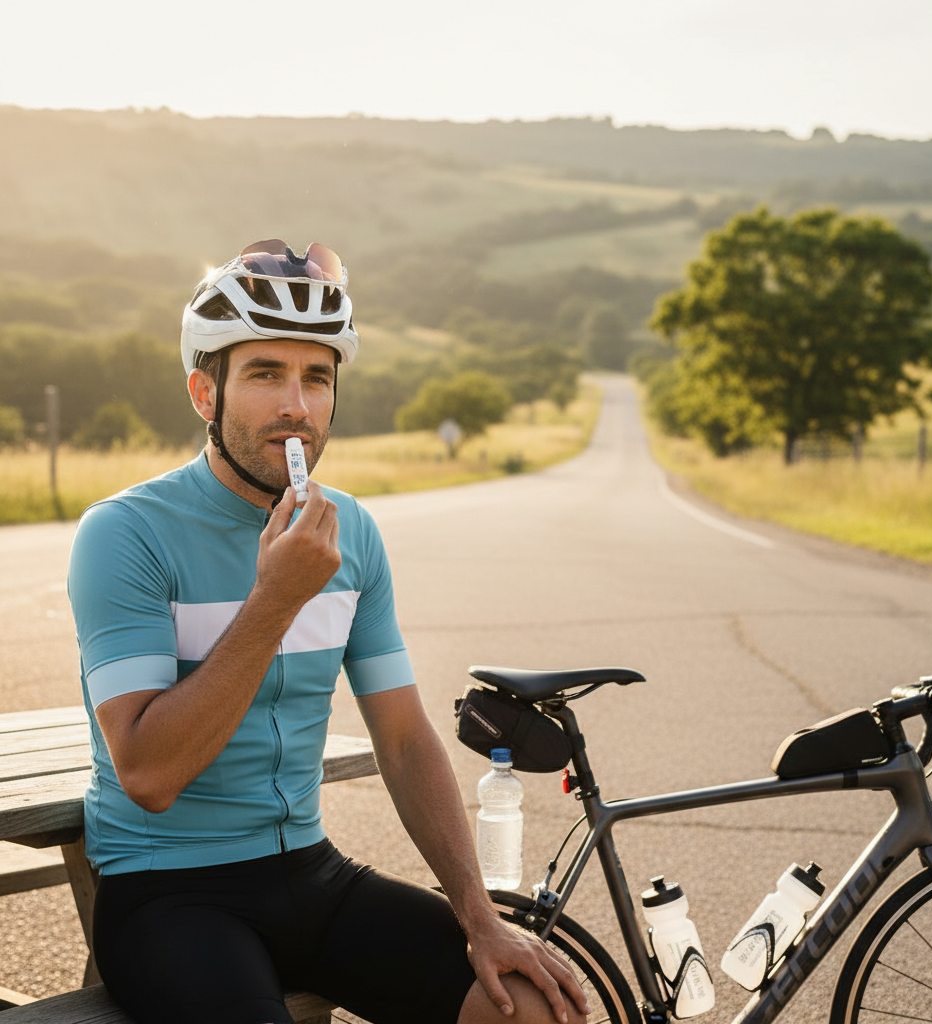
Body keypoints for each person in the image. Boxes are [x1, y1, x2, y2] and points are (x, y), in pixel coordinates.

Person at [67, 240, 589, 1024]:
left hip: (312, 874)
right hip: (170, 891)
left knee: (530, 1007)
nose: (296, 408)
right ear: (203, 392)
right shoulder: (125, 534)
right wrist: (275, 600)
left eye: (317, 377)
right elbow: (147, 773)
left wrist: (481, 919)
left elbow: (407, 741)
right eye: (265, 374)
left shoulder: (354, 535)